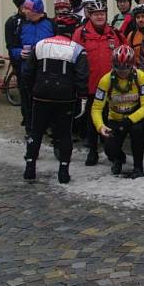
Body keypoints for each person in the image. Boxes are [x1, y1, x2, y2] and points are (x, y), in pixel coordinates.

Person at [21, 31, 89, 184]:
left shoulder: (40, 44)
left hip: (41, 95)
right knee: (64, 134)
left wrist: (32, 89)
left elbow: (28, 71)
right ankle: (63, 171)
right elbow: (82, 76)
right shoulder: (77, 49)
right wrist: (82, 96)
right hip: (65, 97)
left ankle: (30, 167)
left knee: (36, 131)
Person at [73, 0, 127, 166]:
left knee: (112, 119)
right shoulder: (80, 34)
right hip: (90, 85)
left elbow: (125, 54)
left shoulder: (115, 33)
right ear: (89, 15)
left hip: (112, 86)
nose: (99, 17)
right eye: (96, 14)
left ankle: (112, 150)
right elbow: (74, 58)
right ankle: (93, 151)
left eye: (102, 13)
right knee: (92, 120)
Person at [91, 44, 144, 178]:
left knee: (137, 131)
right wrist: (100, 126)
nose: (122, 73)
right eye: (118, 69)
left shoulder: (141, 77)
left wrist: (130, 120)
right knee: (110, 148)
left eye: (126, 69)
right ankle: (118, 158)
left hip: (135, 116)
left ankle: (138, 167)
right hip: (115, 117)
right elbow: (96, 108)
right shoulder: (105, 80)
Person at [14, 0, 56, 135]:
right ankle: (31, 129)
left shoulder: (51, 24)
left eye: (27, 8)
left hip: (46, 70)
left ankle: (48, 127)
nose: (24, 11)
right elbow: (13, 46)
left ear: (36, 10)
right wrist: (19, 52)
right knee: (28, 100)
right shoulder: (22, 25)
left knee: (47, 100)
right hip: (27, 69)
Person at [5, 0, 31, 129]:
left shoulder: (34, 18)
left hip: (35, 63)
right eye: (24, 5)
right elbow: (10, 45)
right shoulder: (11, 22)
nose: (27, 8)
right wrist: (18, 54)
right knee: (25, 94)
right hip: (20, 62)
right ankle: (27, 121)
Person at [127, 4, 144, 68]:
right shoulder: (131, 36)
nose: (140, 20)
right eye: (138, 17)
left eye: (143, 16)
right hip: (139, 72)